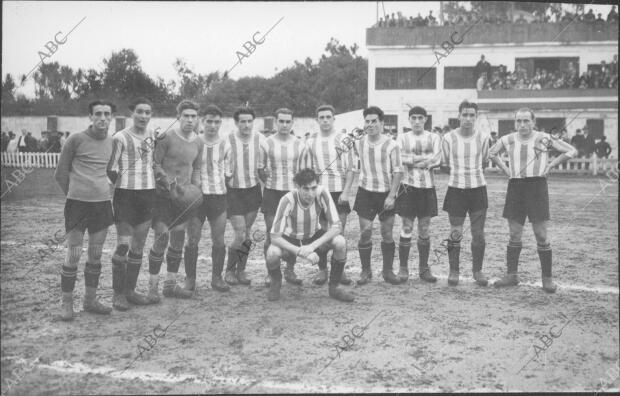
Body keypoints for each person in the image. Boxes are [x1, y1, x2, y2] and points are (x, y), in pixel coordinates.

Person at [490, 108, 577, 293]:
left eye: (526, 121)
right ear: (515, 123)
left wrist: (551, 165)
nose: (522, 125)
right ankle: (512, 275)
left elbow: (571, 151)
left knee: (541, 234)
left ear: (533, 121)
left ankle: (547, 279)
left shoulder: (543, 138)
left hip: (537, 187)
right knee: (514, 233)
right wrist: (506, 169)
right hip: (515, 187)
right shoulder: (508, 139)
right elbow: (491, 153)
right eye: (519, 121)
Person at [54, 100, 116, 321]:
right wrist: (74, 195)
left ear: (111, 117)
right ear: (90, 117)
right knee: (73, 253)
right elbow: (60, 173)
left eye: (106, 114)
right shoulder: (75, 139)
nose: (102, 118)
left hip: (101, 204)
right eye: (98, 113)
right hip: (77, 204)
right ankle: (67, 304)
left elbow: (109, 171)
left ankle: (90, 301)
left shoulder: (112, 142)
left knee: (96, 254)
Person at [266, 168, 354, 302]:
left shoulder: (322, 193)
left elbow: (337, 226)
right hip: (291, 239)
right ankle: (276, 283)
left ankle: (334, 287)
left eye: (313, 188)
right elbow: (275, 237)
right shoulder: (287, 200)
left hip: (314, 236)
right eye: (306, 189)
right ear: (297, 187)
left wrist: (312, 246)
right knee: (272, 253)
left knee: (340, 242)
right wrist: (300, 251)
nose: (310, 193)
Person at [148, 99, 204, 301]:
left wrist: (195, 190)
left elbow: (196, 169)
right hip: (163, 196)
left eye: (193, 116)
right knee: (161, 238)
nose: (190, 120)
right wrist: (167, 182)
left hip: (183, 198)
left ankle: (170, 285)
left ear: (198, 119)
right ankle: (152, 288)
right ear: (178, 117)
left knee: (178, 240)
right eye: (186, 116)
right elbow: (154, 163)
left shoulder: (199, 142)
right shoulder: (166, 137)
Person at [106, 97, 157, 311]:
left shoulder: (153, 136)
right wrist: (110, 194)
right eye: (140, 111)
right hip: (126, 195)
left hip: (147, 194)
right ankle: (118, 294)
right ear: (131, 113)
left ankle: (130, 291)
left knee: (138, 246)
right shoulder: (120, 137)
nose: (144, 116)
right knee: (124, 244)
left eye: (147, 112)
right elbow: (110, 169)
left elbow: (153, 162)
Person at [344, 106, 404, 286]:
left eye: (374, 121)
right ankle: (366, 270)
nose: (370, 125)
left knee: (387, 233)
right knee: (365, 233)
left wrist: (392, 196)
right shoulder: (358, 143)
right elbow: (352, 166)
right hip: (366, 192)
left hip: (386, 193)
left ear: (382, 123)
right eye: (367, 121)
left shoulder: (392, 144)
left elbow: (398, 172)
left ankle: (387, 271)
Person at [303, 104, 355, 285]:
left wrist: (347, 192)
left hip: (339, 193)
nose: (325, 120)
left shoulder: (344, 139)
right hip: (319, 194)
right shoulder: (310, 141)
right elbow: (308, 170)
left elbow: (351, 169)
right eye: (321, 117)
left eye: (328, 117)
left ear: (334, 119)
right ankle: (322, 270)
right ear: (317, 120)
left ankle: (340, 272)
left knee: (339, 233)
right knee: (321, 234)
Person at [440, 100, 490, 287]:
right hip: (456, 191)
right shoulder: (448, 138)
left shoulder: (484, 138)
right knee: (455, 232)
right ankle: (454, 271)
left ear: (476, 117)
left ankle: (477, 270)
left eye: (472, 115)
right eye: (465, 115)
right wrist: (460, 177)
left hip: (478, 191)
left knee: (478, 234)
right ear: (459, 116)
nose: (468, 119)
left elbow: (484, 163)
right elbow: (444, 165)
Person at [185, 104, 230, 293]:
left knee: (218, 239)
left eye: (216, 122)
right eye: (209, 121)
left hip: (218, 196)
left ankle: (216, 278)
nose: (213, 125)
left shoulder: (226, 144)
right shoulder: (194, 141)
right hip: (197, 198)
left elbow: (228, 173)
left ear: (221, 123)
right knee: (193, 239)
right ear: (202, 121)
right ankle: (190, 280)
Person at [261, 108, 307, 286]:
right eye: (281, 121)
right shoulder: (266, 143)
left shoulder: (300, 145)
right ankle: (271, 273)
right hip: (272, 193)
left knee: (292, 234)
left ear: (292, 123)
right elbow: (260, 169)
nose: (284, 125)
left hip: (292, 195)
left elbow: (302, 173)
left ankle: (290, 269)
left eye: (288, 121)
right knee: (271, 233)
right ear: (276, 122)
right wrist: (273, 183)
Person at [395, 106, 440, 283]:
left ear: (425, 119)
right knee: (406, 226)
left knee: (424, 227)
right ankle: (403, 268)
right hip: (407, 187)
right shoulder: (402, 137)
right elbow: (399, 158)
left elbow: (438, 159)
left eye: (420, 118)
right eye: (413, 118)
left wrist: (412, 160)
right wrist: (423, 160)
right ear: (409, 119)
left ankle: (423, 269)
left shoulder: (434, 137)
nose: (416, 121)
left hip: (427, 188)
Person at [224, 106, 268, 286]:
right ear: (236, 123)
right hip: (233, 192)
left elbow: (268, 162)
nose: (246, 125)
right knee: (240, 233)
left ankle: (241, 271)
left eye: (250, 121)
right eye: (243, 121)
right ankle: (229, 270)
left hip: (252, 191)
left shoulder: (261, 139)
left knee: (247, 234)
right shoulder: (227, 140)